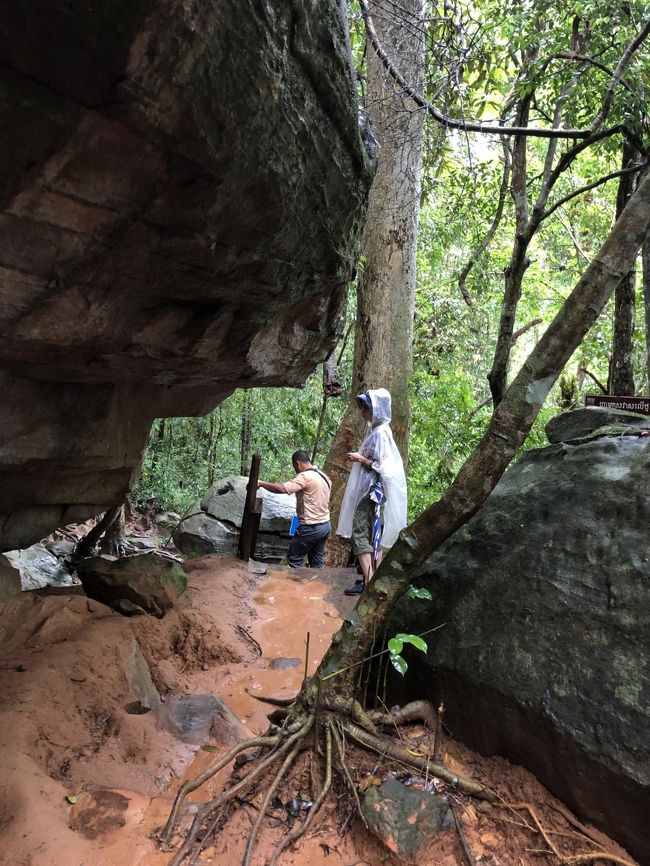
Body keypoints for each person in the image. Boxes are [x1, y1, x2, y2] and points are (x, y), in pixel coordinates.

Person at [337, 388, 407, 595]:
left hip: (372, 491)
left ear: (376, 410)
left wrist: (361, 459)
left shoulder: (381, 433)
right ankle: (369, 579)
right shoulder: (377, 431)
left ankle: (369, 583)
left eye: (366, 408)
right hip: (369, 490)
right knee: (371, 533)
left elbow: (385, 467)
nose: (362, 412)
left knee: (360, 532)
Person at [257, 451, 331, 569]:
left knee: (294, 560)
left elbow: (283, 489)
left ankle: (295, 586)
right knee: (317, 563)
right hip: (325, 526)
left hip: (310, 528)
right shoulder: (323, 476)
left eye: (294, 467)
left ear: (297, 464)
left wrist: (261, 483)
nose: (295, 471)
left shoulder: (305, 476)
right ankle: (316, 587)